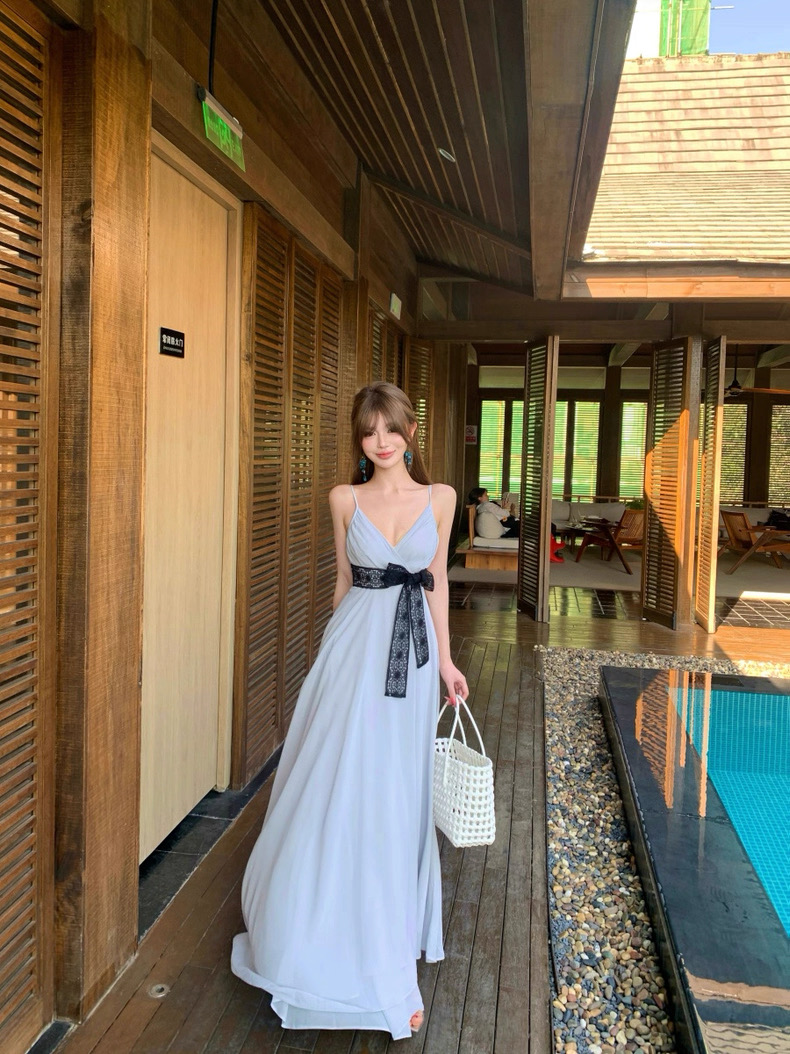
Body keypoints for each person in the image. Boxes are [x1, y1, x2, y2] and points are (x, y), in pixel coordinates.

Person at [231, 381, 468, 1040]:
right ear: (359, 439)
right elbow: (343, 583)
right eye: (368, 431)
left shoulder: (441, 498)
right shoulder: (343, 498)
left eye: (390, 428)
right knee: (336, 780)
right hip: (350, 655)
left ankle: (388, 954)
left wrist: (447, 662)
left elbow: (436, 583)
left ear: (410, 431)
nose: (380, 441)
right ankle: (320, 935)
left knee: (394, 791)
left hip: (412, 663)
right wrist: (329, 664)